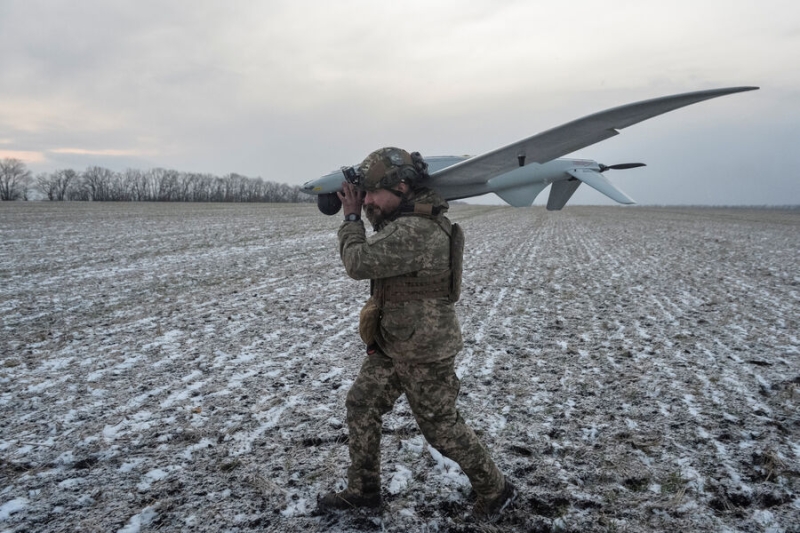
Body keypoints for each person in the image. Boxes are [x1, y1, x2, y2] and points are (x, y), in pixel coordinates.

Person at [316, 147, 516, 522]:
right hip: (395, 341)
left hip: (424, 347)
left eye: (374, 193)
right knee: (362, 404)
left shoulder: (416, 229)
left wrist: (352, 217)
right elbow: (383, 230)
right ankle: (364, 492)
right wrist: (367, 206)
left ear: (403, 186)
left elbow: (358, 262)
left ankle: (497, 490)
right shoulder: (409, 217)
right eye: (366, 194)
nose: (368, 200)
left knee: (441, 429)